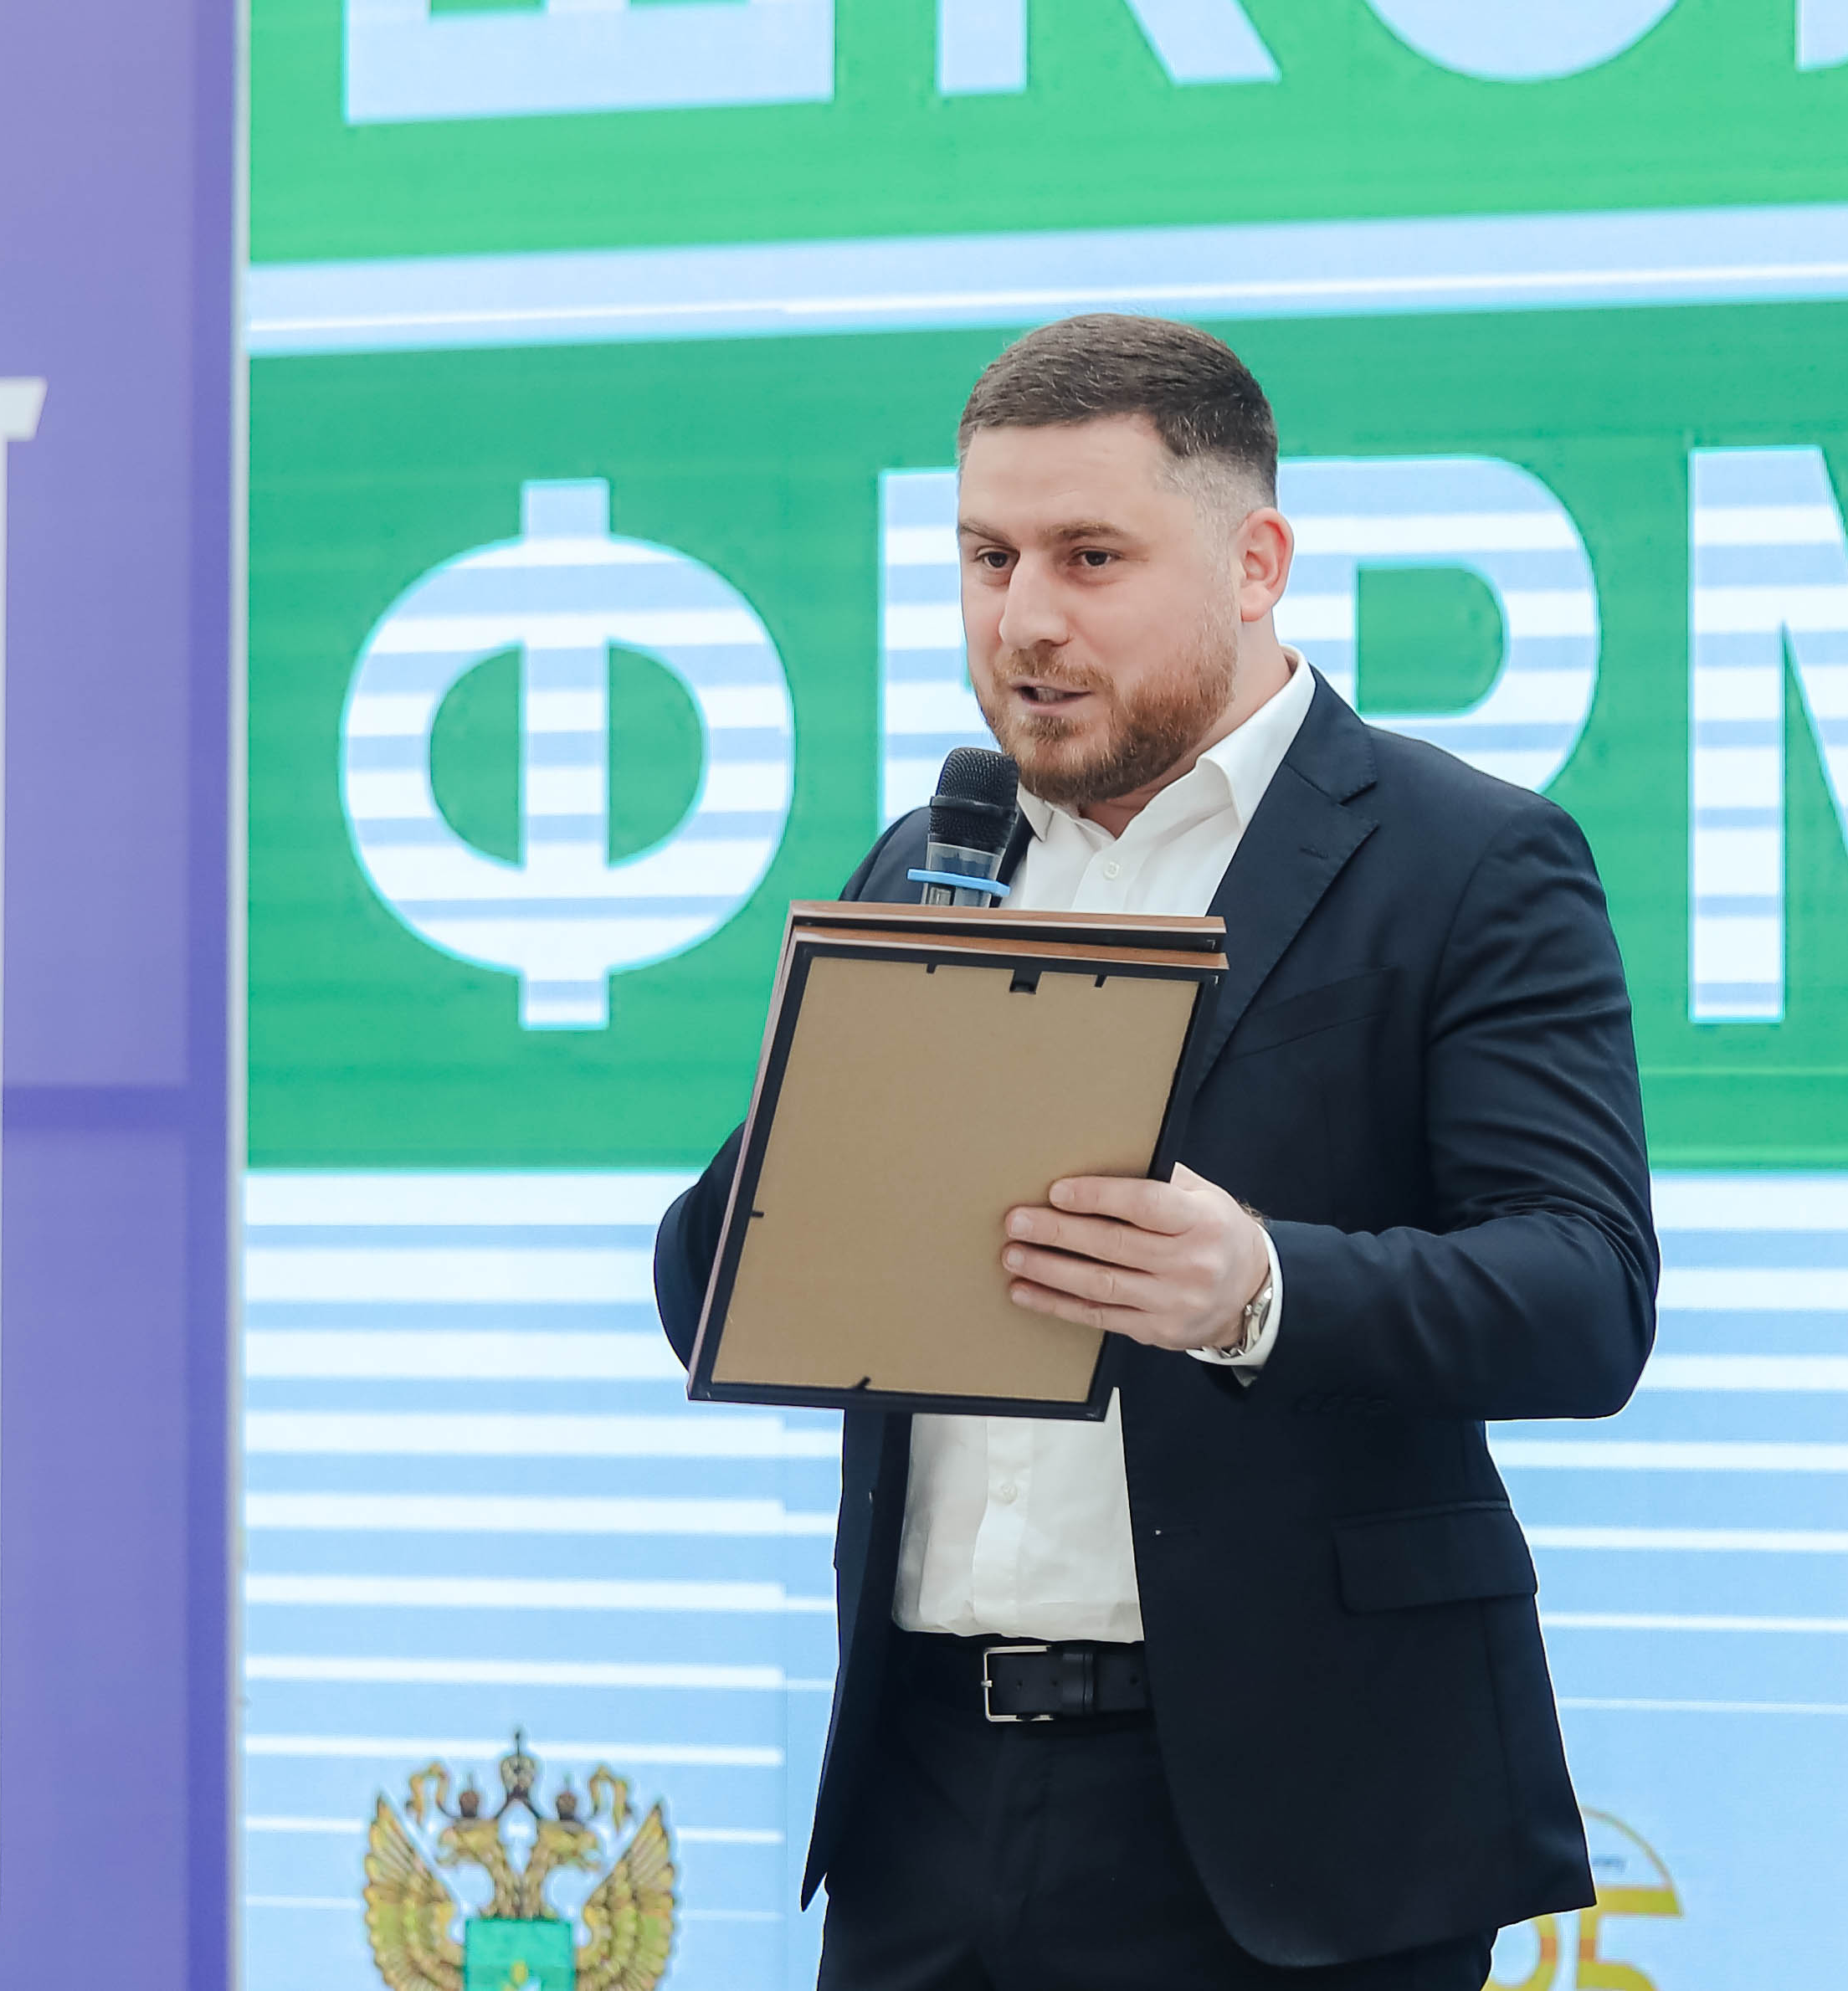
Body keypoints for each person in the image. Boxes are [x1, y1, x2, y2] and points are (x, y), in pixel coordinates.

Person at [653, 314, 1657, 1989]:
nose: (1022, 617)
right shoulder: (932, 861)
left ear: (1255, 563)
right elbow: (708, 1289)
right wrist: (822, 1123)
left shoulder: (1467, 861)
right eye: (986, 556)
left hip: (1298, 1832)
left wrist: (1257, 1289)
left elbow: (1582, 1291)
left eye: (1089, 556)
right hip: (923, 1808)